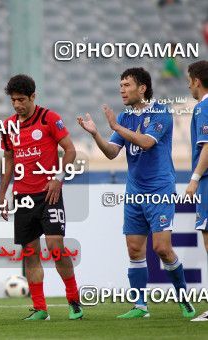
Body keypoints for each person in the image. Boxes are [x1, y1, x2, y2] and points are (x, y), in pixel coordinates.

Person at [78, 67, 195, 318]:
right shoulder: (125, 117)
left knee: (162, 248)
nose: (122, 89)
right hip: (134, 191)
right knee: (134, 249)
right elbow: (111, 153)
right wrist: (97, 133)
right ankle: (140, 306)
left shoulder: (161, 111)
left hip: (159, 189)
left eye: (127, 85)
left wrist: (115, 126)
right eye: (120, 85)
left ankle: (184, 298)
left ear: (142, 88)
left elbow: (146, 142)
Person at [0, 74, 83, 320]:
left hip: (49, 194)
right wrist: (2, 195)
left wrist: (58, 178)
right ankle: (40, 309)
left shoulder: (49, 118)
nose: (17, 105)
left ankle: (73, 300)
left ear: (33, 96)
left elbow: (70, 150)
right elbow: (9, 161)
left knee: (56, 247)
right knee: (31, 252)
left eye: (21, 100)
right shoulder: (8, 127)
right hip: (22, 196)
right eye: (13, 100)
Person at [185, 60, 208, 322]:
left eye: (190, 80)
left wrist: (194, 178)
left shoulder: (204, 106)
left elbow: (207, 146)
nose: (188, 85)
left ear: (197, 81)